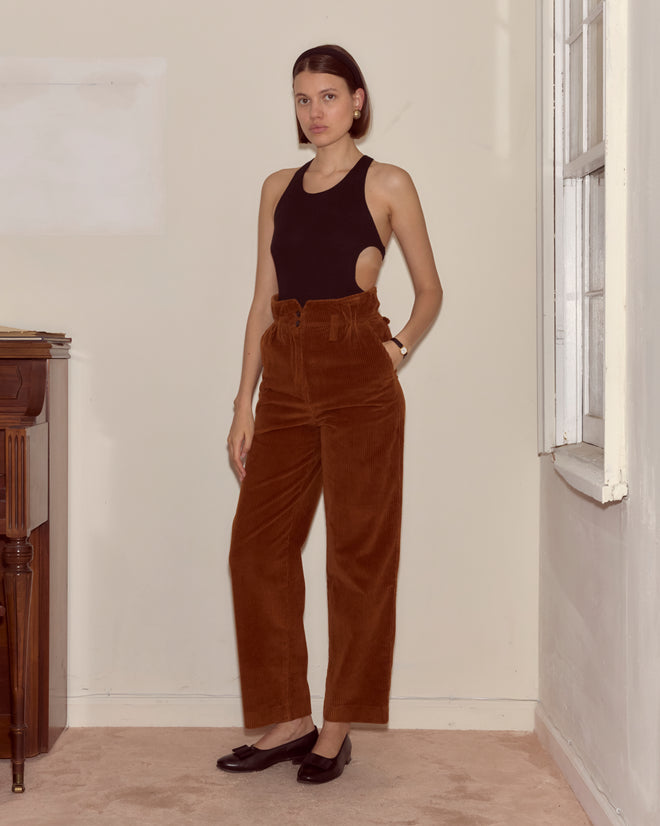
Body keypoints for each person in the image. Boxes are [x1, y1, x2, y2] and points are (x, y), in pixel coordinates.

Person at [216, 44, 442, 784]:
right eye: (302, 98)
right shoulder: (277, 187)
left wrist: (395, 350)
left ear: (357, 101)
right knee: (257, 548)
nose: (314, 112)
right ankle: (290, 718)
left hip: (357, 377)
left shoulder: (387, 182)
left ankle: (337, 725)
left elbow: (431, 290)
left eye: (328, 96)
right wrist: (243, 401)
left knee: (357, 555)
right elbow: (262, 299)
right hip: (284, 373)